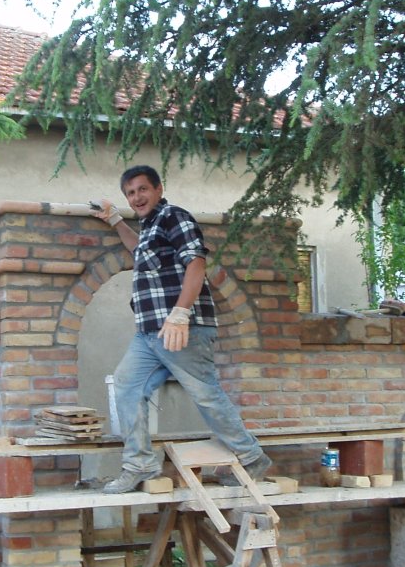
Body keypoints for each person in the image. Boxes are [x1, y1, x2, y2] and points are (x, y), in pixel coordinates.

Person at [91, 164, 272, 494]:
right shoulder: (150, 227)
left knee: (205, 394)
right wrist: (116, 220)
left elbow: (196, 262)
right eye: (130, 193)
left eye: (143, 189)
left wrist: (180, 313)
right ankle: (140, 464)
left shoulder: (174, 216)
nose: (137, 197)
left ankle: (251, 457)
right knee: (127, 386)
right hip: (150, 332)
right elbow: (138, 250)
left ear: (159, 189)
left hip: (182, 327)